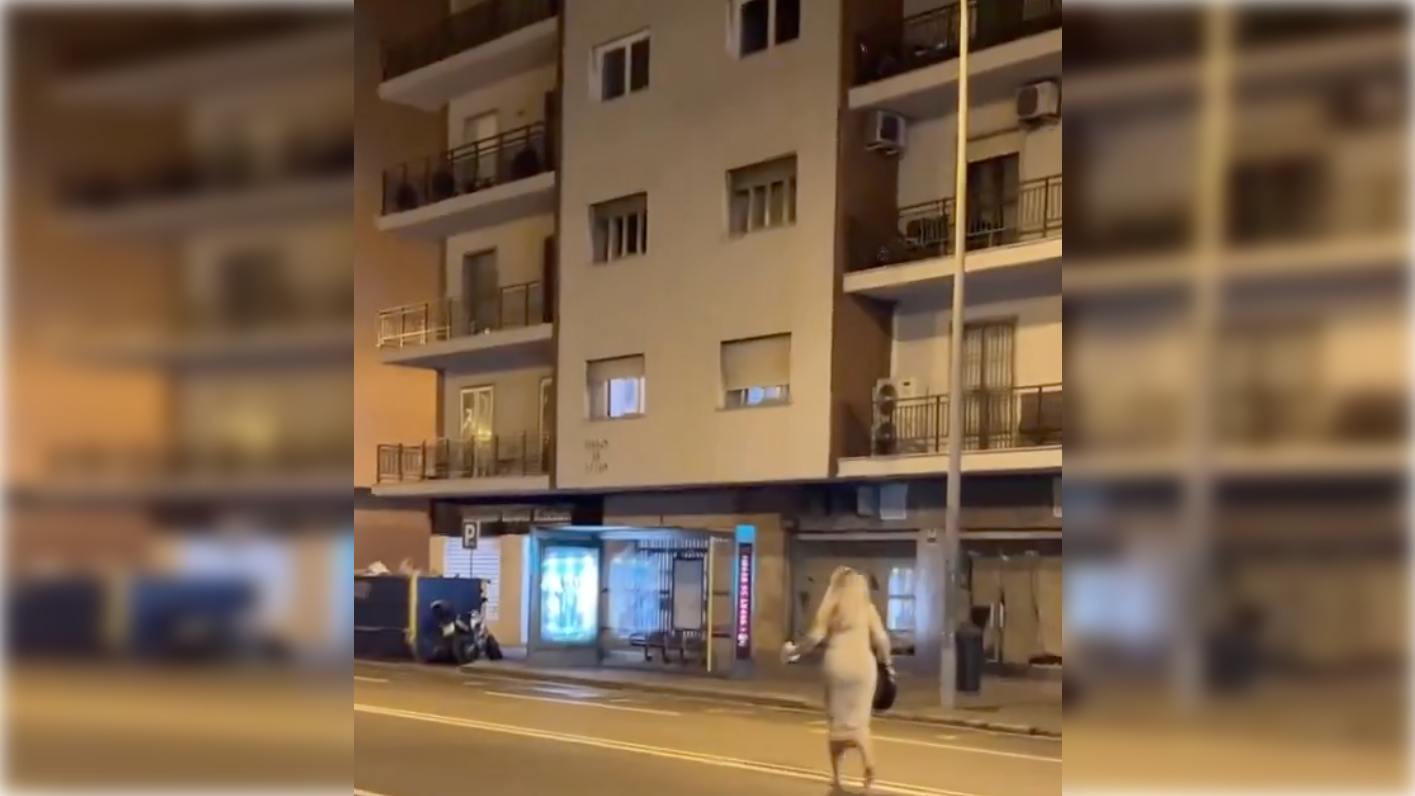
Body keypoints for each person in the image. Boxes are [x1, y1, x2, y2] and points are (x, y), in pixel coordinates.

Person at [782, 567, 894, 794]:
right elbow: (881, 639)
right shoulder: (867, 608)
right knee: (860, 722)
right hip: (863, 666)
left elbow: (813, 637)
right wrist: (888, 663)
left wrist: (794, 651)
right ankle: (869, 770)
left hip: (837, 665)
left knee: (837, 722)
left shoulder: (831, 609)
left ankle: (837, 778)